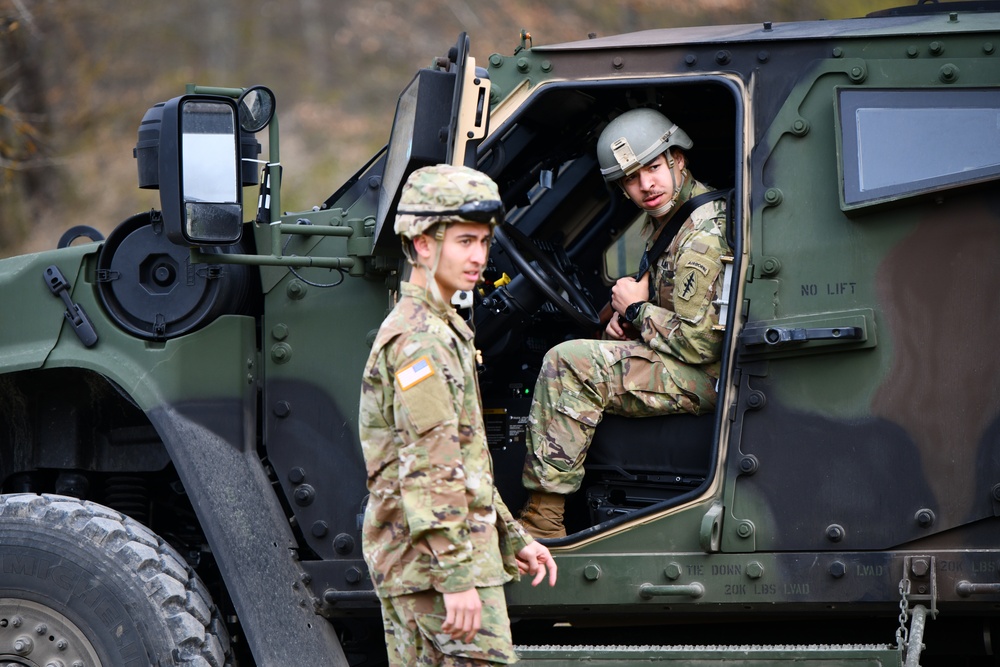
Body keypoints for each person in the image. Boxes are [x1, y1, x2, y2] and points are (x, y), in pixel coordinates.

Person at [359, 164, 558, 666]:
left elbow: (463, 461)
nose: (479, 257)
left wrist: (512, 537)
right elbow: (430, 467)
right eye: (464, 241)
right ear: (423, 244)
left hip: (445, 562)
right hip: (436, 571)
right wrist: (456, 580)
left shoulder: (442, 328)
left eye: (484, 243)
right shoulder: (421, 341)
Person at [519, 107, 729, 539]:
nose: (645, 185)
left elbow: (702, 345)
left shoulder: (701, 235)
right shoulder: (673, 220)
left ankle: (544, 523)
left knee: (568, 363)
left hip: (706, 375)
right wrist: (634, 322)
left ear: (678, 160)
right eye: (631, 178)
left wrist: (635, 310)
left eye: (653, 167)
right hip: (688, 361)